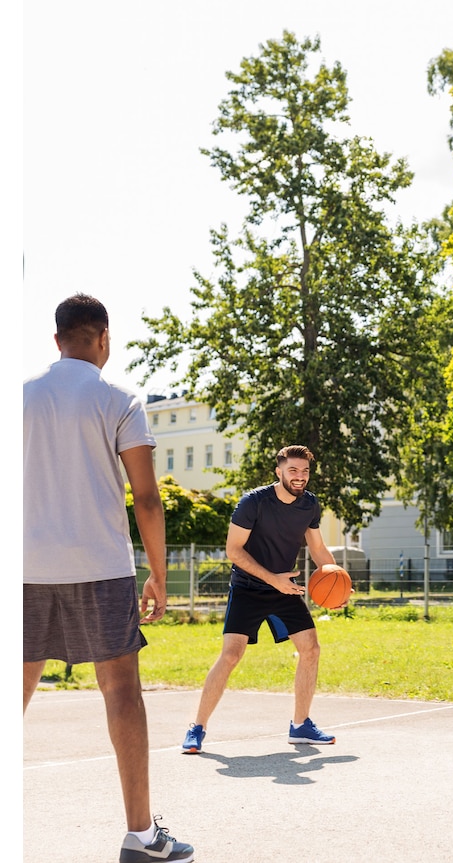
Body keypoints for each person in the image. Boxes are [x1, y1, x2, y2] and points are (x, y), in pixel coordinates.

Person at [23, 294, 194, 863]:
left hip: (23, 568)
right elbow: (146, 496)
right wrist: (159, 577)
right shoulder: (121, 399)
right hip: (100, 567)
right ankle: (141, 837)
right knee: (121, 690)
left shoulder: (18, 398)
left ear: (57, 340)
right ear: (102, 338)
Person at [182, 444, 339, 753]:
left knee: (310, 649)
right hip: (248, 588)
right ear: (279, 471)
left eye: (305, 471)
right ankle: (196, 727)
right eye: (293, 470)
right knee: (231, 655)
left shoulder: (309, 505)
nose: (300, 476)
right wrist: (273, 580)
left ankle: (301, 725)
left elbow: (318, 549)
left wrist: (336, 579)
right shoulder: (253, 502)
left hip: (284, 589)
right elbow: (233, 550)